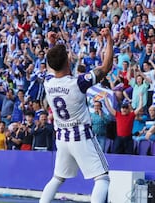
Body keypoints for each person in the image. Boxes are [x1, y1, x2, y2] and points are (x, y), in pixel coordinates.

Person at [40, 28, 113, 203]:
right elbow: (106, 67)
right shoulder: (78, 83)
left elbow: (52, 64)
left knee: (57, 178)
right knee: (102, 178)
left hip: (62, 138)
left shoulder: (48, 82)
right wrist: (109, 40)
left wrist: (52, 44)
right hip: (81, 136)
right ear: (67, 62)